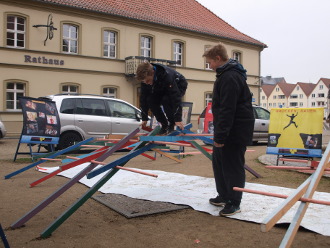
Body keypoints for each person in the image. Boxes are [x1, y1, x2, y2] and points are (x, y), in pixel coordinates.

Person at [202, 44, 255, 216]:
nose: (209, 66)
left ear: (218, 59)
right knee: (219, 162)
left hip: (235, 130)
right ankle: (224, 195)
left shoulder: (230, 77)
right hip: (228, 129)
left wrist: (221, 136)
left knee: (233, 166)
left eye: (210, 63)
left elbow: (227, 109)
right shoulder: (224, 75)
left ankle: (234, 202)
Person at [136, 62, 188, 135]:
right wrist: (144, 118)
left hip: (179, 84)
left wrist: (178, 119)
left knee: (166, 99)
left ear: (152, 73)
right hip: (160, 85)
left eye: (148, 80)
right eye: (144, 82)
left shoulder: (166, 76)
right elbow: (143, 98)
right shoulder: (145, 81)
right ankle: (164, 125)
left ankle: (172, 123)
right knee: (150, 100)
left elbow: (175, 98)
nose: (146, 83)